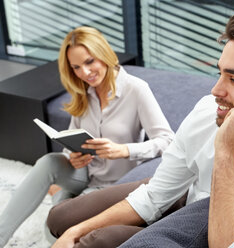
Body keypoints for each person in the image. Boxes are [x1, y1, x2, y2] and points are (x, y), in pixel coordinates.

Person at [47, 12, 234, 248]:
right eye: (219, 73)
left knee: (97, 241)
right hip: (184, 194)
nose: (216, 91)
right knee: (61, 219)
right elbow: (155, 195)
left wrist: (228, 151)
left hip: (207, 223)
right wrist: (75, 231)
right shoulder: (206, 111)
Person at [0, 26, 174, 247]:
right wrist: (72, 156)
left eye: (89, 61)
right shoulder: (84, 92)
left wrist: (124, 150)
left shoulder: (136, 89)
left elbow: (167, 141)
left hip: (110, 186)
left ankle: (60, 196)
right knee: (49, 162)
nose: (84, 72)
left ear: (103, 54)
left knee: (55, 231)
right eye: (76, 67)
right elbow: (70, 140)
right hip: (84, 173)